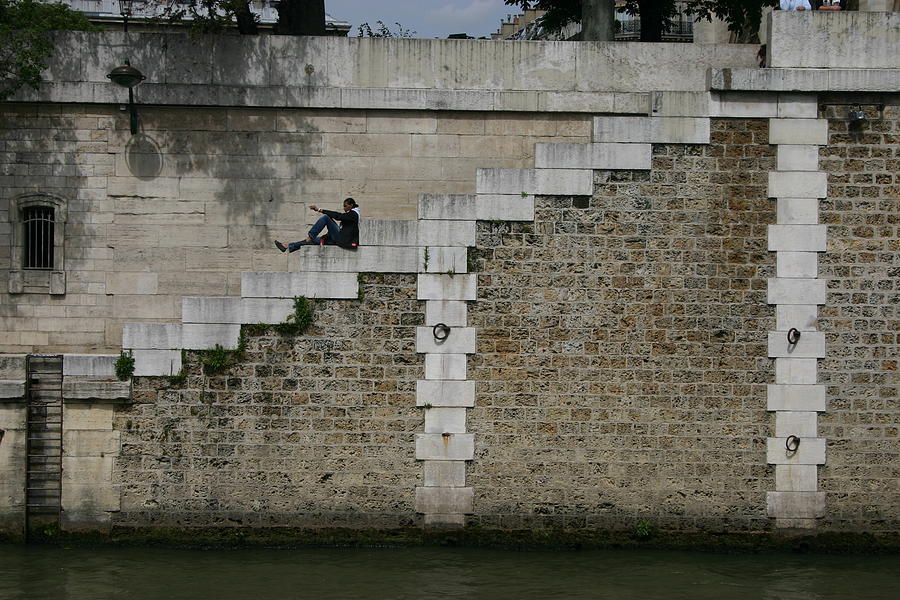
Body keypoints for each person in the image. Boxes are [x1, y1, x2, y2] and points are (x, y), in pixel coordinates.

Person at [274, 198, 360, 252]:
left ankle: (311, 235)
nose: (344, 208)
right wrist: (325, 237)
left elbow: (338, 216)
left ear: (351, 205)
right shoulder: (350, 215)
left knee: (326, 217)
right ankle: (287, 246)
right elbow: (341, 230)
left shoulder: (353, 214)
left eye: (345, 206)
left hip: (343, 240)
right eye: (343, 206)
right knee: (313, 241)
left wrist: (319, 210)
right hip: (337, 240)